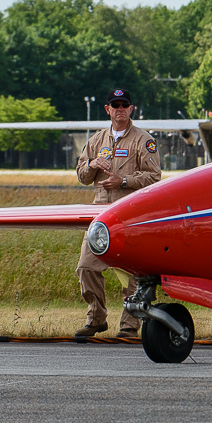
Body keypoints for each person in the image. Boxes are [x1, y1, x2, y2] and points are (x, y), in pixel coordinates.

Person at [73, 89, 162, 337]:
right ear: (107, 109)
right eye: (115, 105)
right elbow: (81, 176)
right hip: (101, 216)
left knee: (132, 275)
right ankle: (96, 318)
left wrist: (122, 181)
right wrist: (91, 165)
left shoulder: (143, 140)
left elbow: (155, 177)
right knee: (86, 268)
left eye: (124, 105)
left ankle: (129, 325)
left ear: (131, 109)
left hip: (131, 216)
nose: (120, 109)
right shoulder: (96, 141)